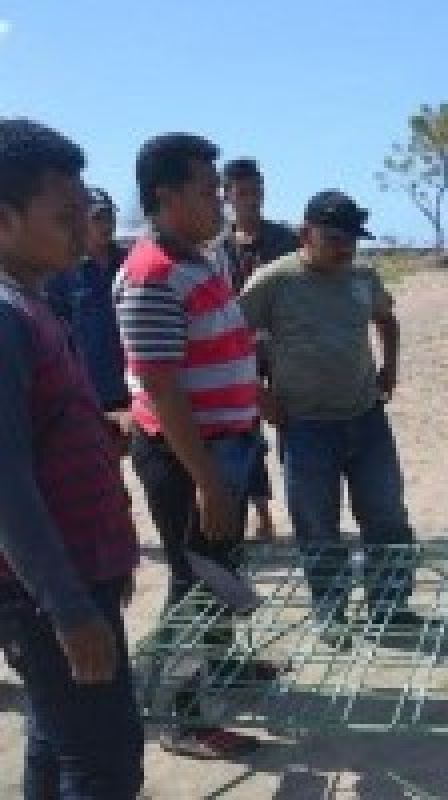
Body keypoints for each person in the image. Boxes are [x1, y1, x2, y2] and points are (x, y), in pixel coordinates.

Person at [0, 118, 142, 798]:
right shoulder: (3, 318)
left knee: (59, 745)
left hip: (76, 574)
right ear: (4, 220)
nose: (84, 227)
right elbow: (5, 484)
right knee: (105, 765)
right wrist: (67, 605)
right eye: (65, 216)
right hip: (45, 592)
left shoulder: (33, 302)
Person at [114, 132, 268, 758]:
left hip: (224, 447)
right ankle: (184, 719)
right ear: (165, 196)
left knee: (221, 572)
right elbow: (161, 387)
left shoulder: (199, 260)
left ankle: (224, 670)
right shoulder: (150, 274)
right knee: (192, 583)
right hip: (186, 457)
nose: (221, 204)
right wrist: (205, 480)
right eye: (208, 192)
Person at [239, 190, 417, 628]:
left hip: (366, 417)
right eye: (334, 238)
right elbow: (227, 340)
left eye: (352, 240)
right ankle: (331, 614)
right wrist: (258, 396)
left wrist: (390, 367)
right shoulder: (273, 281)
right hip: (305, 425)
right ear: (305, 234)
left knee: (386, 517)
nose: (345, 248)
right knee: (318, 528)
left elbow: (387, 320)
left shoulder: (362, 276)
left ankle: (390, 606)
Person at [216, 157, 299, 541]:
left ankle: (301, 505)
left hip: (283, 350)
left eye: (256, 190)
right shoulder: (219, 249)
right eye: (243, 192)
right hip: (237, 353)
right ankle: (262, 512)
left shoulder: (285, 241)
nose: (251, 199)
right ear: (228, 195)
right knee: (244, 433)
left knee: (290, 426)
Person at [44, 187, 133, 447]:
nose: (107, 225)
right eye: (98, 218)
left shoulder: (130, 263)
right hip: (95, 389)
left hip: (137, 383)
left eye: (109, 217)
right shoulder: (64, 271)